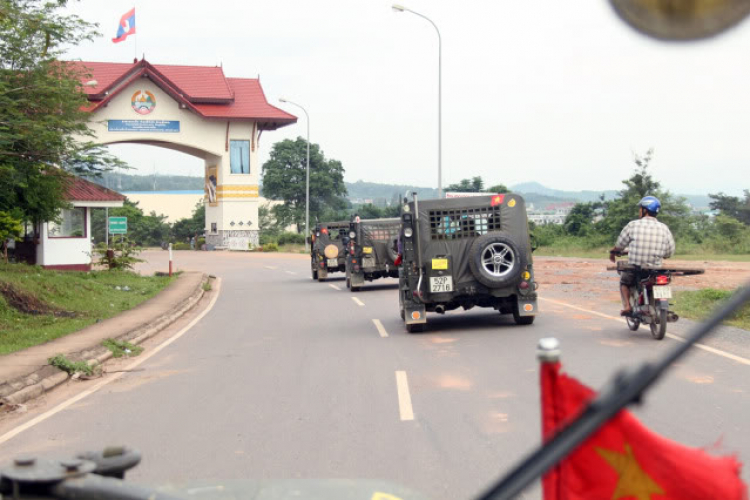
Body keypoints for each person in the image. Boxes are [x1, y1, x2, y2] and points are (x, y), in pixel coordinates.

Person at [609, 196, 675, 316]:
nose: (639, 211)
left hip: (636, 267)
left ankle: (627, 306)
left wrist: (614, 252)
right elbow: (669, 252)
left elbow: (620, 245)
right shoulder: (664, 228)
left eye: (640, 209)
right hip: (655, 268)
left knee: (624, 282)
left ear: (645, 210)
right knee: (662, 280)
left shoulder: (633, 225)